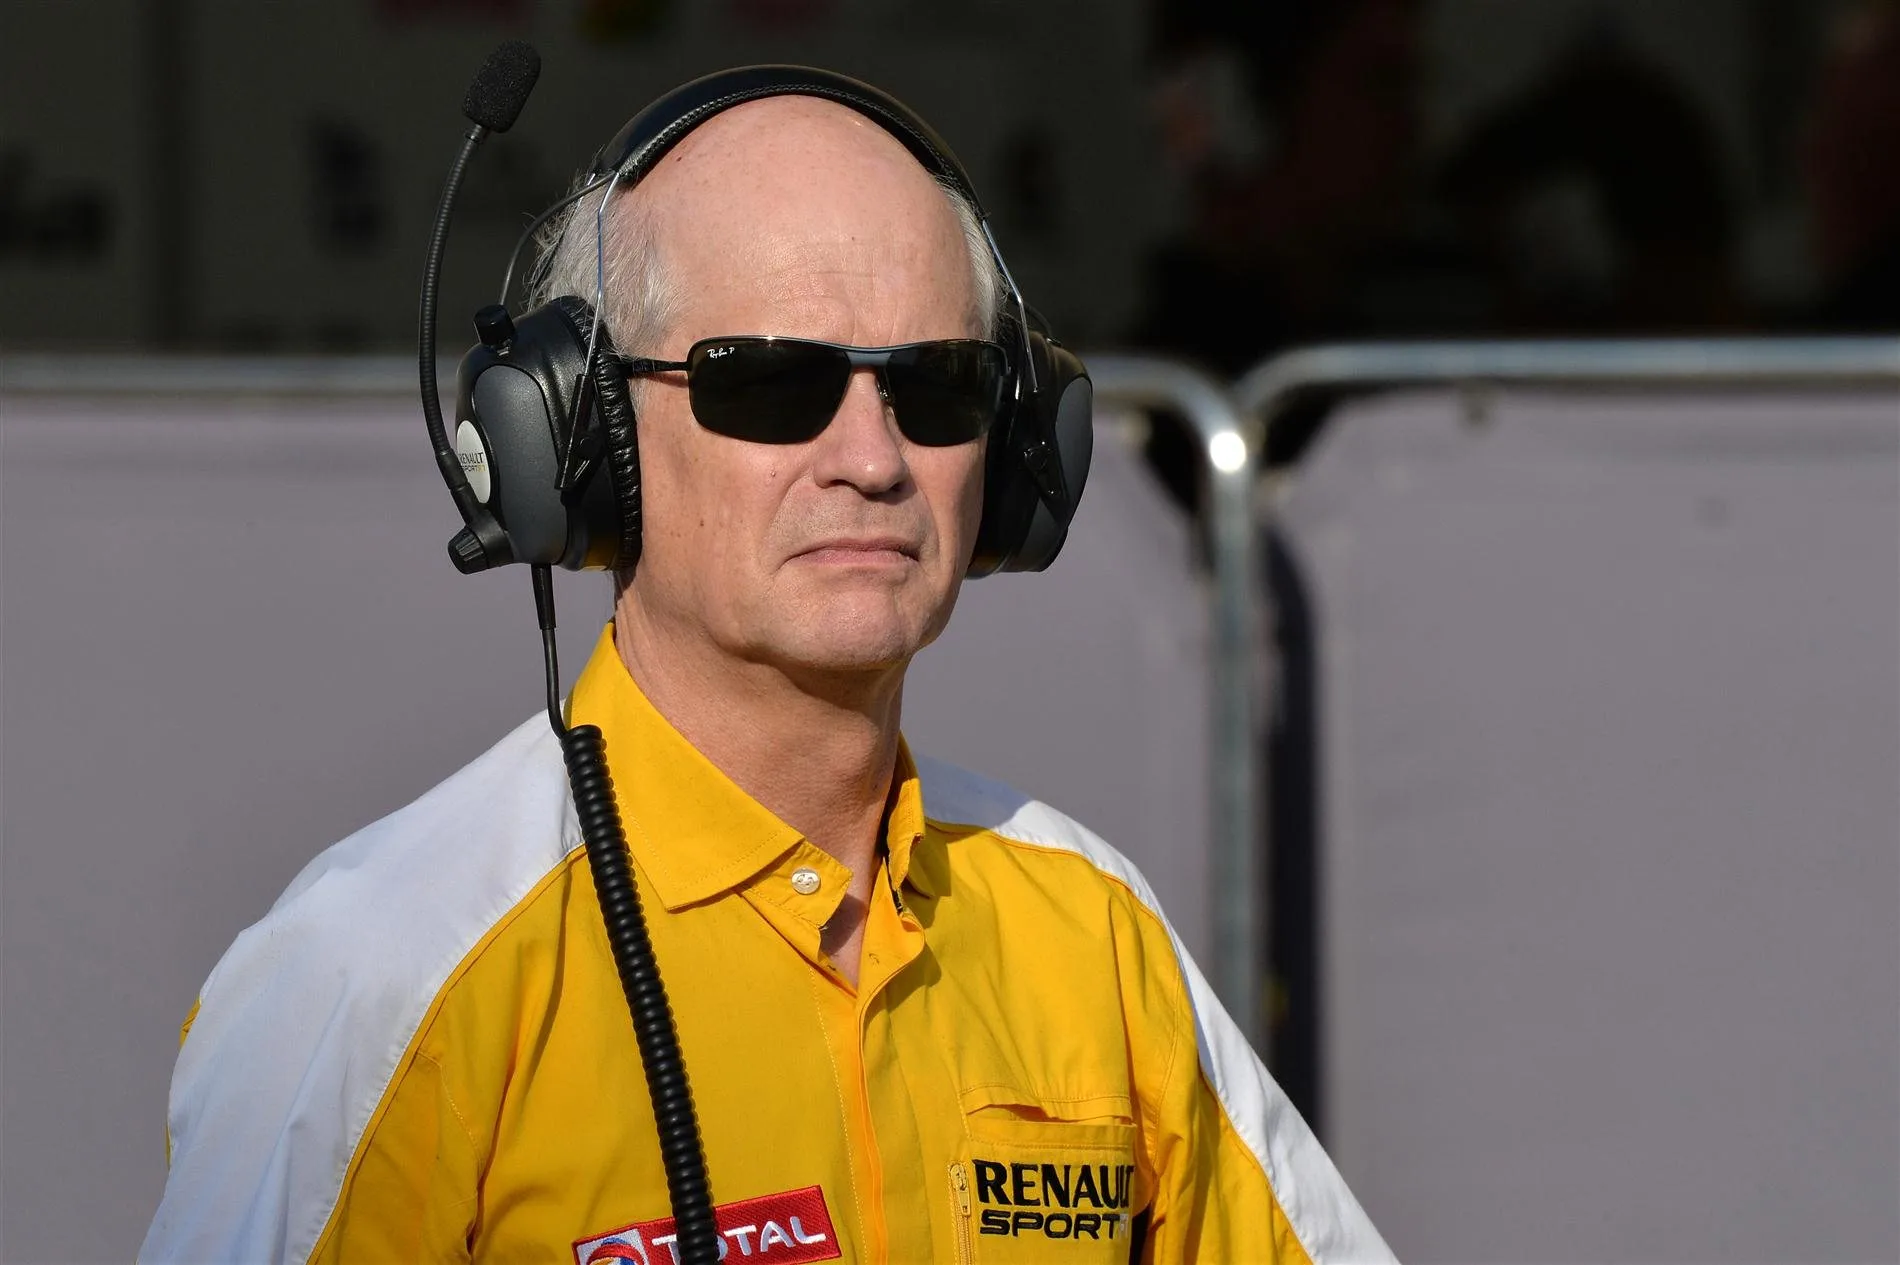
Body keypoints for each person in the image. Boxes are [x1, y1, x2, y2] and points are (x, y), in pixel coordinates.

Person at [141, 74, 1393, 1265]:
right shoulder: (380, 967)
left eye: (938, 385)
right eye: (772, 382)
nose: (871, 456)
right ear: (576, 437)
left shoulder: (1091, 929)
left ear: (1014, 457)